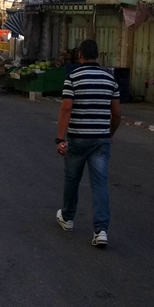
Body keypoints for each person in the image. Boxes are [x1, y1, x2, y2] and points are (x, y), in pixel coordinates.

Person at [55, 39, 121, 247]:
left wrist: (60, 138)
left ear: (80, 56)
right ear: (98, 55)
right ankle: (101, 230)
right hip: (100, 140)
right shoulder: (111, 80)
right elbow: (117, 114)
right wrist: (110, 132)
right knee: (100, 183)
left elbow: (66, 109)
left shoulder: (72, 78)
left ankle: (67, 218)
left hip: (78, 138)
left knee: (72, 179)